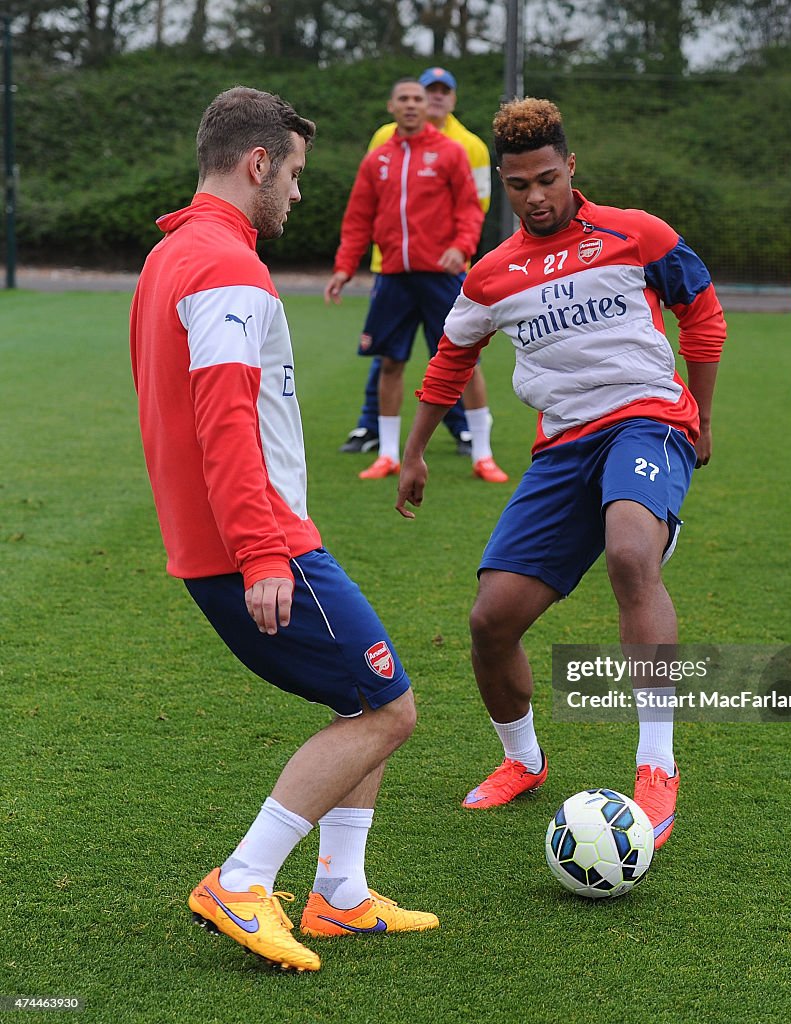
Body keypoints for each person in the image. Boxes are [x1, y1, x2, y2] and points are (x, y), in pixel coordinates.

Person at [130, 86, 438, 973]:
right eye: (296, 174)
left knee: (362, 696)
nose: (300, 193)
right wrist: (264, 549)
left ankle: (339, 895)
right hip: (254, 544)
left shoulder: (176, 253)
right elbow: (223, 416)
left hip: (237, 537)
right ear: (257, 164)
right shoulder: (225, 266)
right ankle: (241, 878)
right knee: (387, 710)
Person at [395, 99, 726, 850]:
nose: (536, 196)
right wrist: (415, 452)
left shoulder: (638, 234)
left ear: (571, 167)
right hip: (563, 449)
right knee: (490, 621)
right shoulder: (490, 276)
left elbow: (702, 314)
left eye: (548, 178)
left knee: (631, 554)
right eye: (519, 185)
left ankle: (657, 766)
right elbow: (451, 360)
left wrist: (698, 416)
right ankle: (523, 761)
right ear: (504, 186)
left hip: (646, 421)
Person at [326, 77, 508, 484]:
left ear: (428, 107)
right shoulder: (378, 159)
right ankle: (388, 454)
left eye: (417, 99)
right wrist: (343, 266)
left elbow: (470, 210)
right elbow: (358, 217)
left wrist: (461, 247)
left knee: (466, 360)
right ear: (391, 106)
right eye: (403, 99)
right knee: (390, 362)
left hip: (441, 276)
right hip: (393, 276)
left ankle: (483, 453)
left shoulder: (451, 153)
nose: (411, 105)